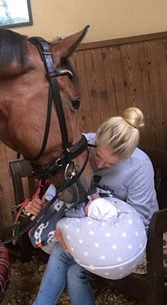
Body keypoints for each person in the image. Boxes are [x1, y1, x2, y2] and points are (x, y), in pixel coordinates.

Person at [27, 107, 159, 305]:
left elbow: (142, 218)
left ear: (125, 159)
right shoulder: (83, 146)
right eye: (98, 156)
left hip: (121, 233)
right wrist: (46, 202)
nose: (100, 165)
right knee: (73, 272)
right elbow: (62, 181)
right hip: (82, 224)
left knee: (63, 256)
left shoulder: (139, 166)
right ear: (96, 140)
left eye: (111, 165)